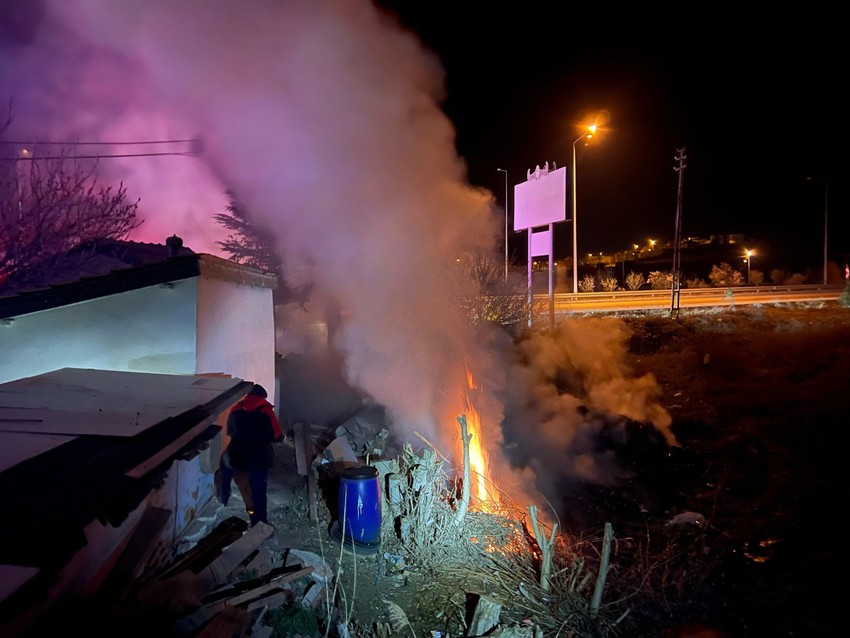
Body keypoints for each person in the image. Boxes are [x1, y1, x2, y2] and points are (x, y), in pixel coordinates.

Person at [217, 383, 283, 526]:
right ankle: (259, 521)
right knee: (258, 489)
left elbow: (230, 431)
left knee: (225, 465)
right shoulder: (266, 411)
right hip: (258, 458)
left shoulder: (236, 408)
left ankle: (224, 496)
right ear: (262, 397)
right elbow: (277, 436)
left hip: (237, 454)